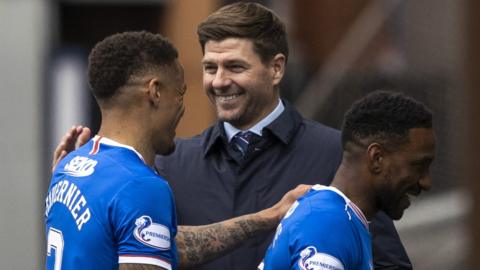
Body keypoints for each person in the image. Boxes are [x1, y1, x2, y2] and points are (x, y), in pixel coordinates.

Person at [53, 3, 413, 269]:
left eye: (235, 67)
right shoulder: (169, 165)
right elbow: (143, 247)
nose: (219, 81)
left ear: (276, 68)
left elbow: (389, 264)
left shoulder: (338, 156)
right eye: (210, 67)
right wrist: (92, 186)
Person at [45, 31, 309, 270]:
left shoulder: (70, 166)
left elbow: (159, 243)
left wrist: (267, 217)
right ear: (155, 92)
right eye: (180, 94)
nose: (183, 108)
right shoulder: (140, 185)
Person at [259, 91, 435, 270]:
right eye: (418, 166)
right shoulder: (329, 224)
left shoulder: (340, 217)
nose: (425, 182)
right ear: (377, 158)